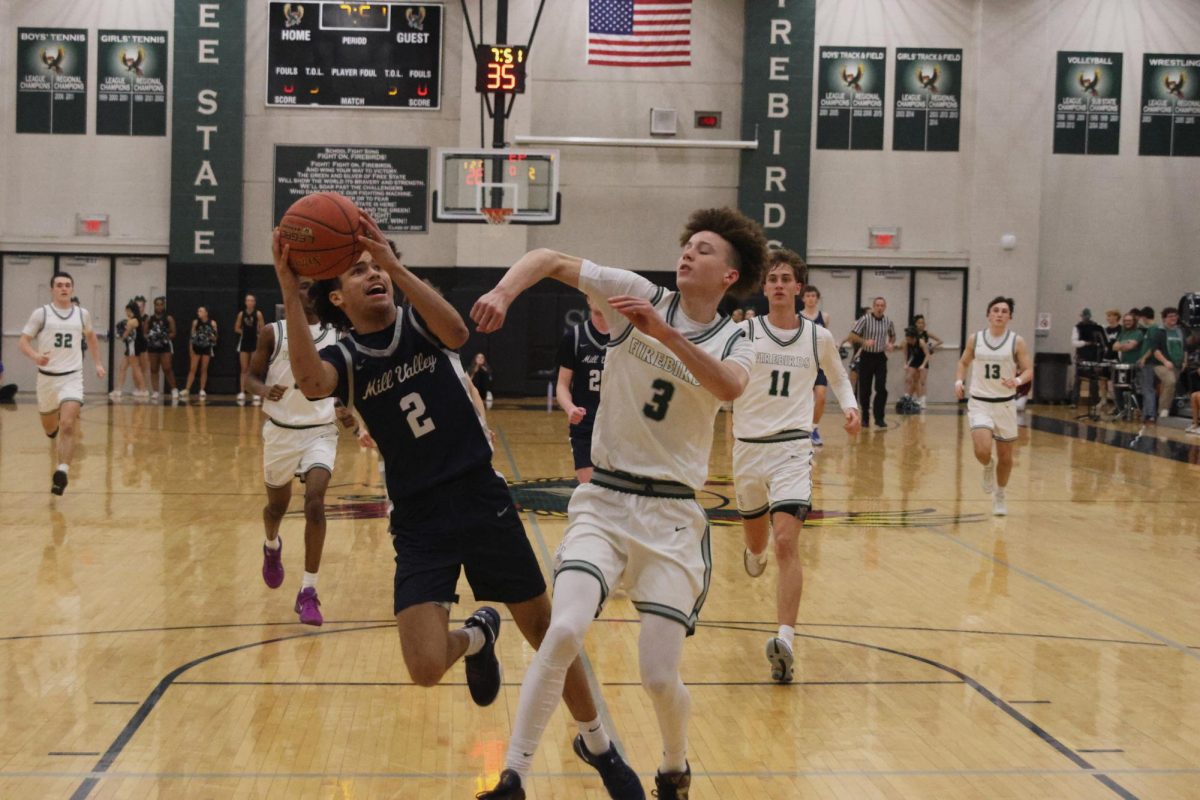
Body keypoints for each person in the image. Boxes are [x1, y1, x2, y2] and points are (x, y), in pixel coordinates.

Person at [272, 213, 638, 799]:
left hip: (478, 495)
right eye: (358, 271)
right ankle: (478, 636)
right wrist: (291, 292)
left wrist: (394, 263)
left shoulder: (419, 323)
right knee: (422, 668)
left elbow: (460, 334)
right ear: (336, 297)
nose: (373, 275)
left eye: (376, 267)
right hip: (418, 518)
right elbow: (312, 383)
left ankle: (598, 742)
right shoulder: (345, 358)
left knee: (548, 630)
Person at [471, 207, 767, 800]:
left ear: (729, 277)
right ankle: (515, 776)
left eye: (705, 250)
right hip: (604, 499)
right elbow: (550, 259)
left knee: (658, 676)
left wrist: (663, 333)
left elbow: (728, 387)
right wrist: (504, 291)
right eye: (688, 245)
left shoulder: (738, 337)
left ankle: (675, 764)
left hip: (673, 517)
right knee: (563, 631)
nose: (689, 253)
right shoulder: (636, 293)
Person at [734, 251, 859, 684]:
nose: (781, 285)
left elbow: (839, 376)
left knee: (787, 540)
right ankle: (754, 550)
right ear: (764, 288)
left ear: (799, 287)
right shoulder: (745, 331)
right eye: (773, 279)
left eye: (788, 278)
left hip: (792, 446)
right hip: (747, 447)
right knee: (758, 544)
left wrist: (851, 406)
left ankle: (785, 639)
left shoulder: (817, 336)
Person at [244, 277, 360, 626]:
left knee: (315, 502)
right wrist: (264, 390)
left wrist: (346, 409)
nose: (307, 292)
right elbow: (248, 378)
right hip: (280, 432)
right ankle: (271, 546)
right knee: (276, 507)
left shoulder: (336, 335)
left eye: (313, 286)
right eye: (303, 285)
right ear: (292, 290)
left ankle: (308, 591)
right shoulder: (272, 332)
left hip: (320, 431)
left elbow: (347, 381)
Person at [18, 272, 106, 494]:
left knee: (68, 424)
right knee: (51, 428)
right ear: (52, 290)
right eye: (59, 285)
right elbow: (23, 341)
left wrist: (97, 363)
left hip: (72, 377)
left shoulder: (81, 314)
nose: (63, 288)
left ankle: (63, 471)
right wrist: (35, 356)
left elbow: (92, 337)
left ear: (72, 289)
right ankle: (51, 431)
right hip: (47, 379)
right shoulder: (42, 314)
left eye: (67, 285)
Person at [954, 296, 1033, 516]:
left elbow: (1028, 370)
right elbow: (963, 362)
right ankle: (987, 465)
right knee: (982, 450)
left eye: (1004, 311)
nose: (999, 314)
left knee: (1006, 458)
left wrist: (1017, 381)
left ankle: (1000, 494)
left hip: (1005, 404)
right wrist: (959, 381)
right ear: (988, 314)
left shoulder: (1017, 341)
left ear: (1010, 317)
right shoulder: (975, 339)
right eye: (995, 310)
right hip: (979, 402)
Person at [556, 296, 610, 483]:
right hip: (585, 424)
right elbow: (562, 385)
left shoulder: (625, 337)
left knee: (618, 495)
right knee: (589, 491)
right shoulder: (574, 337)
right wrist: (570, 408)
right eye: (594, 293)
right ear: (588, 299)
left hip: (617, 425)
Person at [847, 297, 896, 429]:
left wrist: (891, 344)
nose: (879, 308)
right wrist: (864, 341)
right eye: (877, 305)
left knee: (881, 388)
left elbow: (893, 335)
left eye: (882, 305)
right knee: (865, 389)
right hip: (866, 356)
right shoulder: (865, 319)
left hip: (880, 357)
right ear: (873, 307)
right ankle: (865, 418)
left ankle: (879, 418)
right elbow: (852, 335)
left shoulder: (888, 321)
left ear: (884, 307)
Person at [800, 284, 830, 445]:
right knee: (801, 399)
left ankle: (814, 428)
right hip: (803, 363)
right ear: (803, 298)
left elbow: (825, 339)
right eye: (808, 295)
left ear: (817, 299)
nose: (811, 298)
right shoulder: (797, 317)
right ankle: (800, 429)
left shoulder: (824, 317)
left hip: (820, 363)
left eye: (813, 296)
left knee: (821, 397)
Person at [1149, 307, 1186, 419]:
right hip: (1160, 364)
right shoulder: (1159, 332)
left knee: (1169, 386)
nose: (1173, 318)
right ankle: (1163, 410)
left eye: (1175, 316)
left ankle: (1162, 410)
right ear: (1164, 318)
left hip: (1177, 364)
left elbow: (1184, 348)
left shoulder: (1180, 332)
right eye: (1170, 316)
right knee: (1170, 381)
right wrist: (1165, 361)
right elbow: (1155, 350)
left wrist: (1184, 361)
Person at [903, 315, 943, 409]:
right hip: (914, 359)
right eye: (919, 323)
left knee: (921, 381)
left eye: (923, 323)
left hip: (923, 358)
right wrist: (906, 363)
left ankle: (922, 400)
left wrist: (931, 347)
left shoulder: (923, 338)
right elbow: (905, 351)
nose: (921, 325)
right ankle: (908, 397)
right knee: (910, 379)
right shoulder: (909, 337)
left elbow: (939, 342)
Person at [1111, 312, 1145, 420]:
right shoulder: (1123, 333)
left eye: (1129, 321)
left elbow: (1130, 346)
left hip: (1135, 365)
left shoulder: (1138, 333)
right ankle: (1122, 411)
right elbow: (1114, 347)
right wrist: (1123, 346)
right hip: (1123, 364)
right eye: (1125, 321)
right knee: (1117, 387)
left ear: (1134, 321)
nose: (1127, 323)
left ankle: (1137, 409)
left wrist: (1122, 346)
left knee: (1134, 389)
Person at [111, 302, 148, 399]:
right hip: (131, 346)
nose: (127, 313)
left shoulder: (133, 321)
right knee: (122, 367)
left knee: (136, 367)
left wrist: (119, 334)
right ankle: (118, 390)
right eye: (126, 311)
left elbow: (124, 336)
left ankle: (143, 390)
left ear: (132, 310)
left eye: (128, 311)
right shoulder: (133, 320)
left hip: (133, 347)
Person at [1070, 308, 1105, 408]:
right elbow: (1074, 342)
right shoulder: (1077, 327)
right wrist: (1085, 343)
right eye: (1083, 316)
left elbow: (1101, 341)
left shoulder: (1096, 327)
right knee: (1078, 379)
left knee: (1094, 380)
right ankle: (1074, 401)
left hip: (1094, 355)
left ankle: (1095, 402)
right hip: (1082, 355)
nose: (1085, 318)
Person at [145, 296, 179, 401]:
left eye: (161, 304)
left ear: (164, 305)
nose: (159, 306)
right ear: (154, 306)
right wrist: (152, 336)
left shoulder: (168, 318)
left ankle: (174, 389)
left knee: (167, 367)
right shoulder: (149, 319)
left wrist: (164, 337)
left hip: (165, 346)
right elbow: (145, 333)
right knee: (154, 368)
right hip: (153, 347)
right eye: (157, 304)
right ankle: (155, 391)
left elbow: (173, 333)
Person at [235, 294, 265, 405]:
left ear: (254, 302)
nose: (250, 302)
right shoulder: (241, 314)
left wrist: (257, 334)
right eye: (248, 300)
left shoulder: (258, 314)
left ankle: (255, 393)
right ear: (245, 302)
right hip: (244, 342)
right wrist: (244, 332)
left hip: (254, 343)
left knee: (254, 369)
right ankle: (242, 391)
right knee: (244, 369)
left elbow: (263, 328)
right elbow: (236, 327)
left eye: (252, 300)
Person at [182, 306, 217, 399]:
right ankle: (187, 389)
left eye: (201, 311)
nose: (198, 312)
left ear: (206, 313)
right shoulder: (195, 322)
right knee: (193, 368)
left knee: (204, 369)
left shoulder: (212, 323)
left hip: (206, 347)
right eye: (198, 311)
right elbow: (192, 336)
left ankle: (202, 389)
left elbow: (216, 337)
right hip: (196, 347)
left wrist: (210, 335)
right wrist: (190, 348)